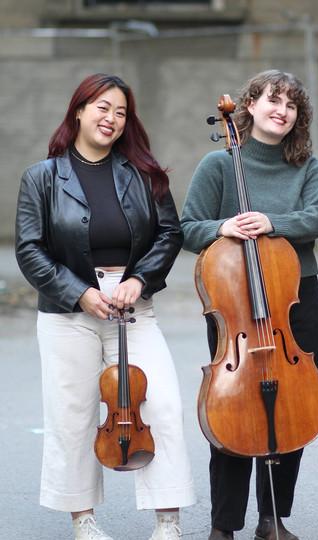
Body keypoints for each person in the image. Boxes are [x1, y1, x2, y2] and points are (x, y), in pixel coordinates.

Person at [15, 74, 196, 540]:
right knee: (71, 414)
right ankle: (83, 520)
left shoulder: (143, 173)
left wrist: (139, 278)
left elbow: (169, 233)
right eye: (101, 107)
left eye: (120, 112)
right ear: (78, 111)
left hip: (132, 305)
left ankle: (167, 520)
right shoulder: (42, 177)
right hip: (67, 312)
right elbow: (30, 248)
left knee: (160, 404)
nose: (111, 118)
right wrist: (78, 292)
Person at [181, 69, 318, 540]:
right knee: (233, 410)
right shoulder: (218, 165)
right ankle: (224, 525)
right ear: (248, 105)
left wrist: (272, 221)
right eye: (272, 100)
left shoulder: (307, 166)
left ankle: (273, 519)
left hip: (293, 298)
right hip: (234, 305)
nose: (281, 110)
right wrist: (221, 228)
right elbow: (187, 227)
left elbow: (316, 218)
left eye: (291, 105)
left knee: (292, 409)